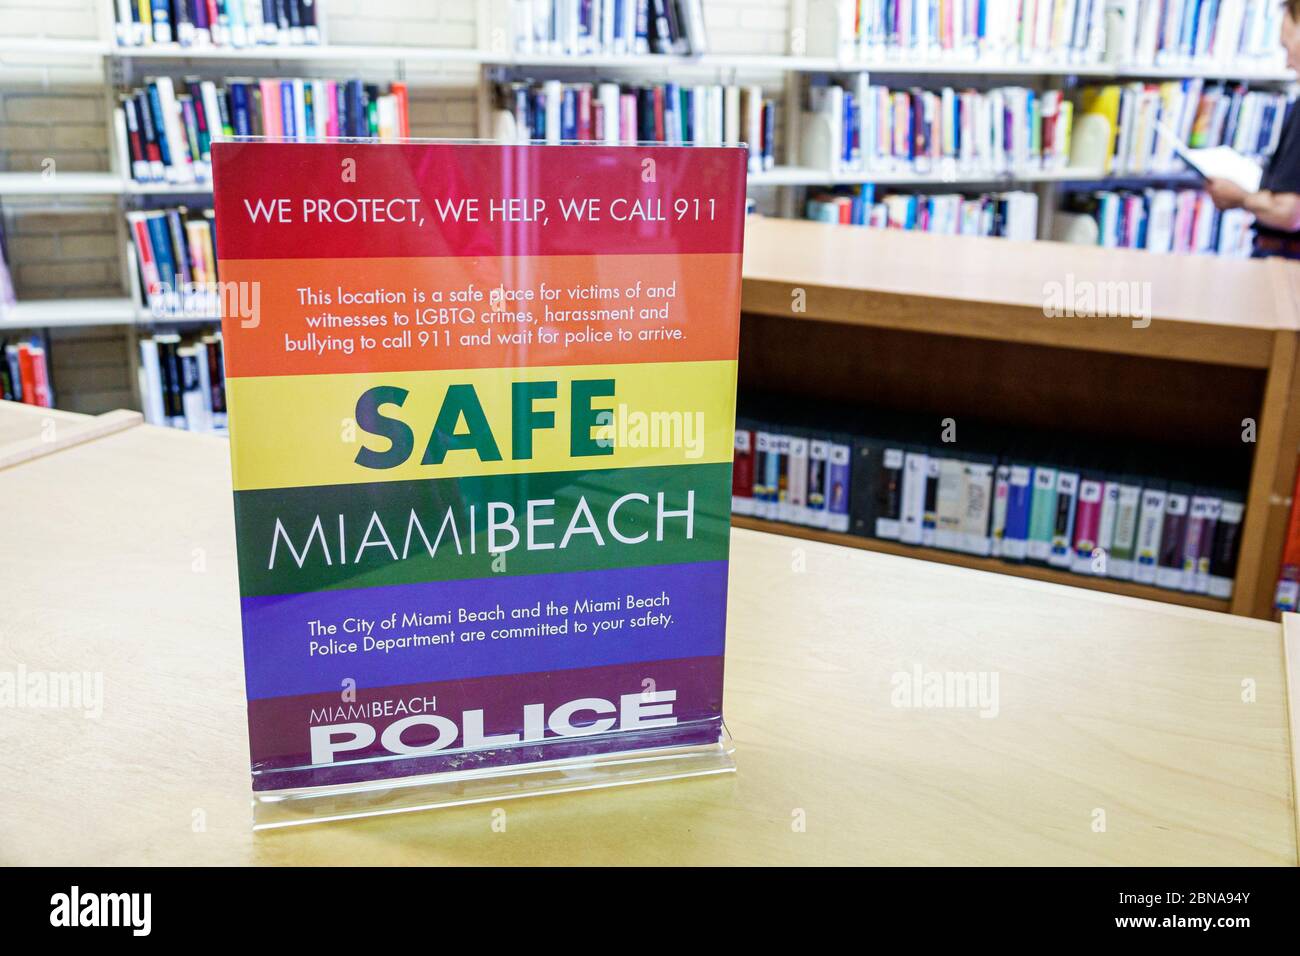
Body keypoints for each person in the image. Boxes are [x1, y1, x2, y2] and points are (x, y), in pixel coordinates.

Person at [1207, 0, 1300, 257]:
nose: (1287, 63)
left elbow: (1289, 212)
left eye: (1287, 47)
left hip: (1284, 261)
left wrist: (1238, 197)